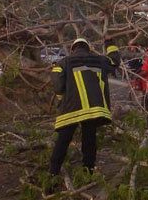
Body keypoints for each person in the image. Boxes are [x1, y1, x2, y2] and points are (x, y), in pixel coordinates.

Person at [50, 38, 120, 179]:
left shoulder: (63, 62)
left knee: (62, 141)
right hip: (93, 109)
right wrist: (110, 43)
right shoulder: (99, 60)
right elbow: (114, 61)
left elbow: (57, 86)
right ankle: (88, 171)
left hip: (71, 109)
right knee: (89, 140)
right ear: (88, 48)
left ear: (72, 49)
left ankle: (53, 174)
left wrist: (60, 99)